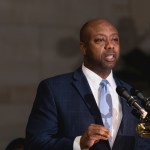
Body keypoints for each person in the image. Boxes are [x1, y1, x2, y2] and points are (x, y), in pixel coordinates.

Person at [25, 19, 150, 150]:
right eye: (100, 40)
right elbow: (35, 144)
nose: (110, 45)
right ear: (83, 48)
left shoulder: (131, 94)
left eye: (115, 40)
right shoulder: (54, 89)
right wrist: (79, 143)